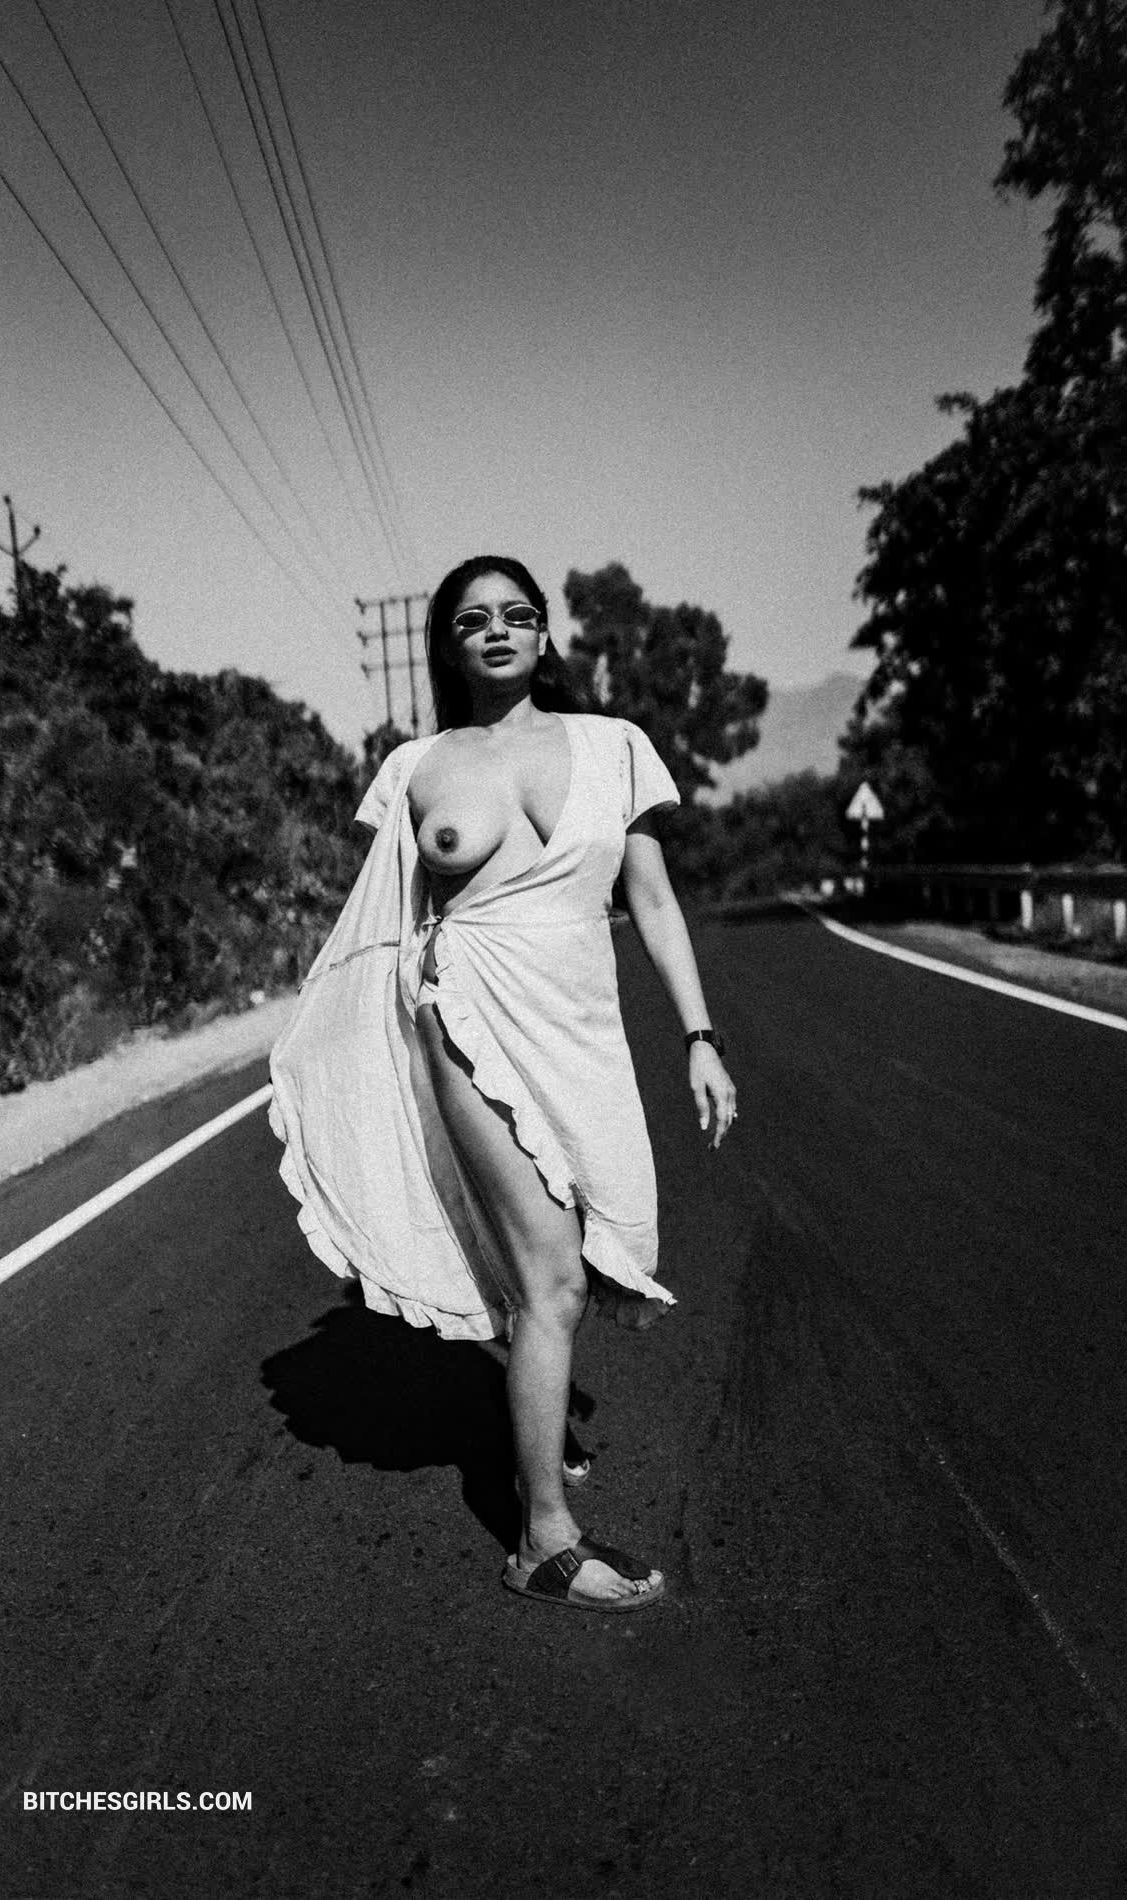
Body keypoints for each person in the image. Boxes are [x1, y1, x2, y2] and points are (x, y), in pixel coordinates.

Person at [269, 555, 736, 1613]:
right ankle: (543, 1540)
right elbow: (381, 922)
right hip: (467, 1014)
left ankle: (534, 1420)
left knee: (586, 1251)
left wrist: (699, 1036)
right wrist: (367, 1046)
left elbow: (654, 901)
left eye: (518, 614)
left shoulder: (616, 745)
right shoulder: (417, 766)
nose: (497, 630)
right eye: (473, 618)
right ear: (447, 644)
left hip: (581, 1026)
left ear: (543, 634)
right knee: (550, 1279)